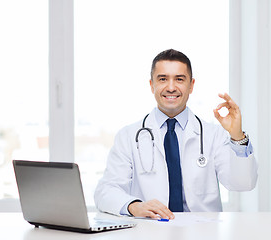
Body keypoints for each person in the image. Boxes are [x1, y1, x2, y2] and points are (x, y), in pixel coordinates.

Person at [94, 49, 258, 220]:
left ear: (191, 85)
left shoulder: (214, 135)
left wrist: (237, 136)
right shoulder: (128, 136)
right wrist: (134, 206)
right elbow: (105, 191)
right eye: (163, 79)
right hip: (149, 231)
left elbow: (243, 183)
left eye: (179, 79)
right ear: (152, 85)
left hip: (203, 232)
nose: (171, 87)